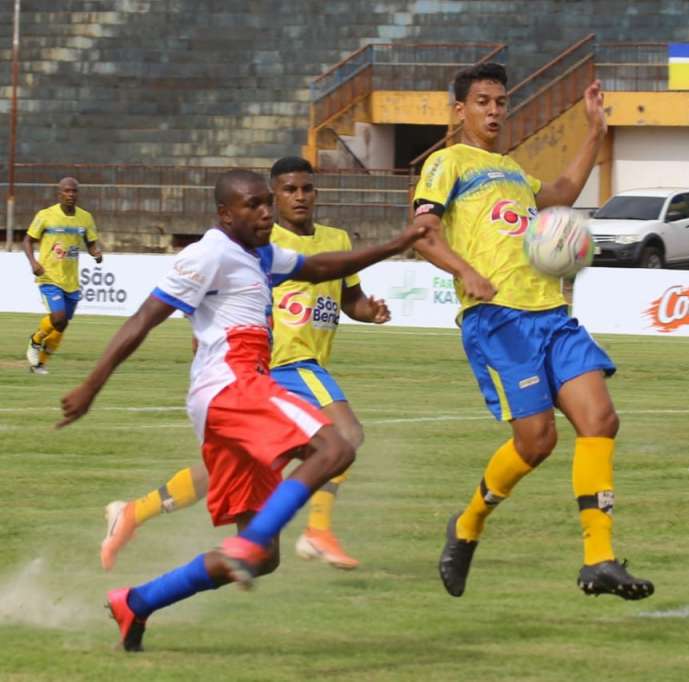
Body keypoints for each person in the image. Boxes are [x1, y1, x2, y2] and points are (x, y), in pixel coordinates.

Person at [58, 170, 424, 651]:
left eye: (267, 203)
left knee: (263, 557)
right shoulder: (209, 253)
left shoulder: (261, 255)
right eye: (253, 205)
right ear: (225, 214)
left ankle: (136, 603)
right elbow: (143, 319)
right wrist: (91, 384)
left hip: (231, 394)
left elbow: (321, 267)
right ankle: (252, 542)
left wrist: (397, 243)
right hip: (233, 383)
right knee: (336, 445)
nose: (266, 212)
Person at [411, 62, 654, 600]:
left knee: (601, 419)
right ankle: (468, 523)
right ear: (459, 111)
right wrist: (466, 272)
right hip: (498, 320)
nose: (495, 111)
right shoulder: (446, 163)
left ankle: (600, 560)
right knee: (537, 441)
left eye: (501, 101)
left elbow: (565, 189)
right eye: (482, 102)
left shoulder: (513, 173)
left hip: (551, 314)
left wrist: (595, 130)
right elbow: (422, 234)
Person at [99, 157, 385, 572]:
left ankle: (133, 512)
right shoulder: (254, 244)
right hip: (286, 362)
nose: (299, 197)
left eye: (307, 188)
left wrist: (368, 310)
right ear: (271, 197)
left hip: (275, 372)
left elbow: (348, 299)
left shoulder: (337, 239)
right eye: (288, 191)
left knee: (234, 469)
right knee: (346, 434)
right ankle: (316, 530)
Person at [23, 177, 103, 374]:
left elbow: (91, 243)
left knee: (61, 325)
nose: (70, 194)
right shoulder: (46, 215)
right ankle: (35, 340)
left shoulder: (86, 218)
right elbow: (27, 240)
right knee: (58, 318)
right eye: (66, 191)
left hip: (71, 281)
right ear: (59, 194)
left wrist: (96, 253)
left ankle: (39, 364)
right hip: (49, 276)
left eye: (74, 191)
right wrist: (34, 263)